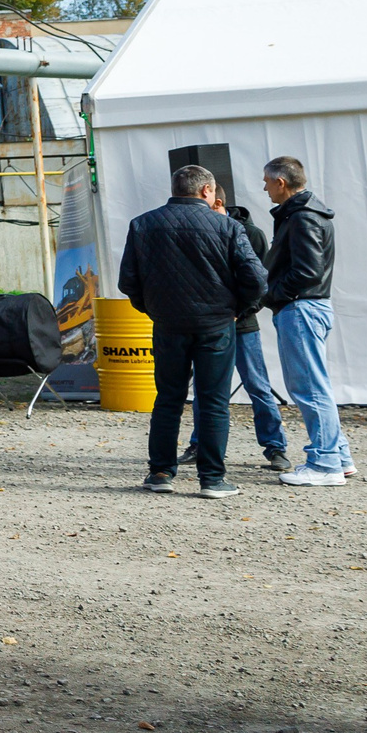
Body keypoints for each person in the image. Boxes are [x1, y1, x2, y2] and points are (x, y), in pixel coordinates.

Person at [117, 164, 268, 498]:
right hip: (216, 325)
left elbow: (127, 280)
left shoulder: (143, 224)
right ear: (206, 191)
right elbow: (257, 279)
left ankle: (160, 473)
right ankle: (212, 479)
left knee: (168, 399)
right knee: (214, 401)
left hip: (168, 325)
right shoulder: (227, 226)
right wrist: (238, 310)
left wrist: (153, 309)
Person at [183, 196, 292, 474]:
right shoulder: (203, 231)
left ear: (218, 202)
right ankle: (199, 444)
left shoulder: (250, 233)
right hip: (211, 324)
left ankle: (275, 447)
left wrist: (238, 312)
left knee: (257, 386)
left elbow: (261, 282)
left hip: (242, 326)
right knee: (204, 389)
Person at [262, 157, 349, 487]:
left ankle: (326, 464)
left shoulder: (301, 218)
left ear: (281, 184)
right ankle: (339, 456)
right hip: (309, 307)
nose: (265, 188)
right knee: (316, 385)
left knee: (310, 388)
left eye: (267, 182)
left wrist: (273, 296)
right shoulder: (308, 214)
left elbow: (307, 272)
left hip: (301, 309)